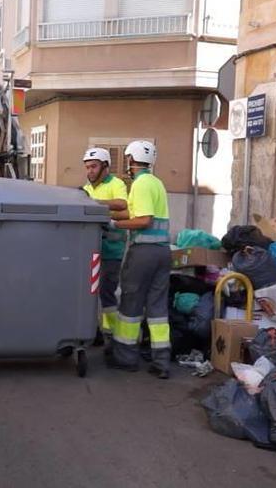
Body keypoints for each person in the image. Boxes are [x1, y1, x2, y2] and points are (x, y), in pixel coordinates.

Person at [105, 141, 172, 379]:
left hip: (143, 252)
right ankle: (161, 361)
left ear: (131, 160)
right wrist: (106, 211)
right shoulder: (156, 183)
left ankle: (125, 358)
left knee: (130, 304)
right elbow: (133, 211)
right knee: (157, 309)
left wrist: (114, 224)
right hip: (163, 253)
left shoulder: (141, 184)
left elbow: (143, 220)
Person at [81, 147, 129, 347]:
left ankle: (112, 335)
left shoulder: (116, 184)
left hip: (112, 250)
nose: (89, 171)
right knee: (87, 291)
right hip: (90, 249)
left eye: (94, 167)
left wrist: (96, 206)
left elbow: (123, 206)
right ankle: (94, 330)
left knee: (106, 292)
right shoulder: (87, 187)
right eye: (87, 167)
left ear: (105, 167)